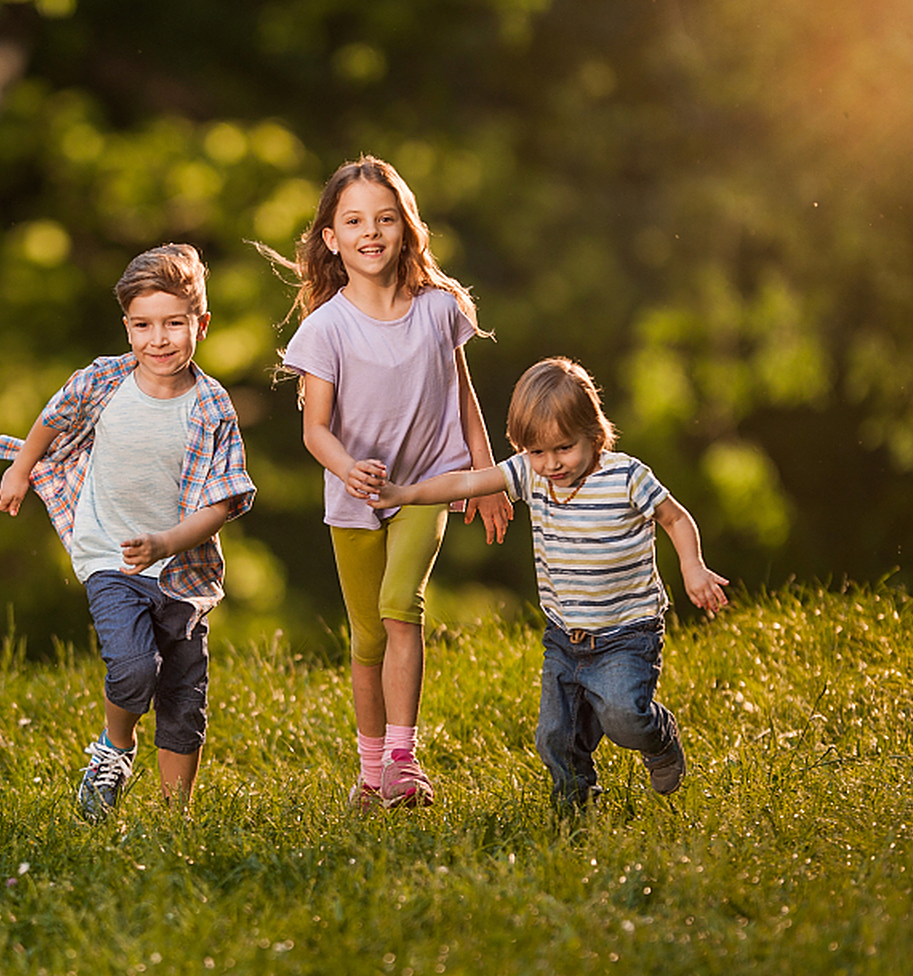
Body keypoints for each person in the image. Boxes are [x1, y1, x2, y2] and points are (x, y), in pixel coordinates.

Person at [370, 356, 729, 809]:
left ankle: (659, 739)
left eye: (563, 448)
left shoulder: (626, 477)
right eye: (536, 452)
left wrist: (692, 567)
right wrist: (404, 494)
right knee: (553, 737)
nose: (551, 463)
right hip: (564, 636)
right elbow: (467, 481)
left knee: (624, 717)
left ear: (594, 434)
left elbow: (675, 519)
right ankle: (574, 803)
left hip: (626, 634)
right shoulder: (530, 474)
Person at [269, 155, 511, 811]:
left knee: (401, 606)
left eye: (384, 218)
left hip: (428, 485)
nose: (370, 232)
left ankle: (404, 761)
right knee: (367, 637)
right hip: (354, 499)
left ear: (405, 228)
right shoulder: (324, 329)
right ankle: (371, 775)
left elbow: (462, 395)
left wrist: (486, 477)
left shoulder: (439, 309)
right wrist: (347, 468)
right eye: (354, 221)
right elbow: (315, 431)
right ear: (331, 238)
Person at [0, 244, 256, 822]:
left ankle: (173, 818)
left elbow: (224, 500)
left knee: (184, 694)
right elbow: (52, 417)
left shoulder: (212, 406)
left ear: (200, 326)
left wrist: (167, 543)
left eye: (173, 325)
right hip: (109, 558)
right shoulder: (104, 381)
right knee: (135, 666)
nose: (158, 340)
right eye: (143, 325)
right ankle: (113, 750)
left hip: (182, 573)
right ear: (127, 327)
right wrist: (19, 467)